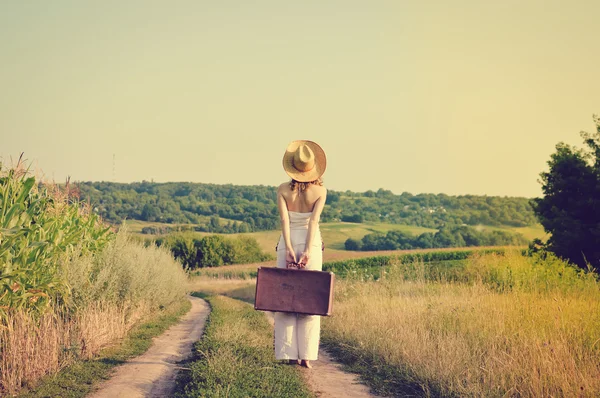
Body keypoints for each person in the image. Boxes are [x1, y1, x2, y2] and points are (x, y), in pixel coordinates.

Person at [274, 140, 327, 369]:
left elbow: (285, 220)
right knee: (310, 301)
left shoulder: (283, 190)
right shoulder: (321, 191)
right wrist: (306, 250)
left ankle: (288, 354)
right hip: (311, 244)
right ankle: (306, 356)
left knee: (284, 299)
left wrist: (288, 249)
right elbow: (313, 221)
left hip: (287, 243)